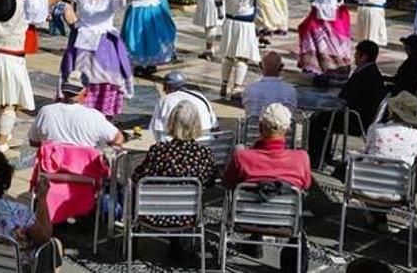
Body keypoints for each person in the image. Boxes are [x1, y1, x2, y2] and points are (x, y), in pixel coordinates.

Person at [0, 0, 79, 152]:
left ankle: (4, 133)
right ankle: (1, 143)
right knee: (11, 101)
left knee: (1, 99)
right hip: (10, 58)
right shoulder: (25, 6)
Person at [58, 0, 132, 118]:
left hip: (103, 41)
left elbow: (120, 4)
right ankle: (79, 102)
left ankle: (103, 108)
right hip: (82, 40)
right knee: (79, 73)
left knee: (103, 74)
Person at [284, 0, 368, 82]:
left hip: (333, 17)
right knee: (313, 37)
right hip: (317, 15)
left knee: (333, 45)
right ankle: (317, 68)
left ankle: (334, 70)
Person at [211, 0, 287, 98]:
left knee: (228, 56)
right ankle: (236, 89)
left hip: (229, 22)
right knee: (242, 57)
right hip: (244, 24)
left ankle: (223, 84)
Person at [133, 102, 217, 230]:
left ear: (171, 123)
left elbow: (138, 178)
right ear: (196, 125)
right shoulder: (204, 153)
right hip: (188, 215)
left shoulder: (159, 150)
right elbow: (210, 182)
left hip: (154, 214)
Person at [308, 40, 387, 165]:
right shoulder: (373, 72)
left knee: (317, 119)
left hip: (356, 119)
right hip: (364, 117)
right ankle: (323, 155)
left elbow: (343, 98)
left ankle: (316, 158)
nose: (354, 57)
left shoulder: (363, 75)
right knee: (324, 117)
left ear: (364, 56)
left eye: (357, 54)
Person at [223, 103, 312, 190]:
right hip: (287, 203)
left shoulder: (242, 157)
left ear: (260, 127)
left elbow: (227, 183)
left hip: (246, 204)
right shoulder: (301, 158)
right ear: (286, 130)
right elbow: (306, 185)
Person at [28, 71, 123, 148]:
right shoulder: (94, 116)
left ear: (62, 90)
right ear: (85, 92)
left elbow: (33, 142)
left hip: (51, 168)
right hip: (83, 169)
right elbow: (118, 138)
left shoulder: (46, 111)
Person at [121, 0, 179, 74]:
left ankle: (140, 64)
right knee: (152, 38)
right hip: (150, 13)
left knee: (138, 38)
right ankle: (149, 64)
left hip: (135, 13)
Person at [365, 91, 417, 165]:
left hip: (369, 173)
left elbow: (368, 148)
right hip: (401, 175)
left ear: (391, 112)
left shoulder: (375, 129)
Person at [149, 71, 216, 141]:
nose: (163, 90)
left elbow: (157, 130)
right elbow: (215, 126)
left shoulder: (164, 101)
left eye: (164, 87)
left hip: (175, 146)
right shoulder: (201, 97)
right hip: (205, 142)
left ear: (168, 87)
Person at [243, 51, 297, 119]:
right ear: (281, 67)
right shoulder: (290, 91)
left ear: (260, 66)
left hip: (253, 128)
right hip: (282, 128)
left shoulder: (250, 89)